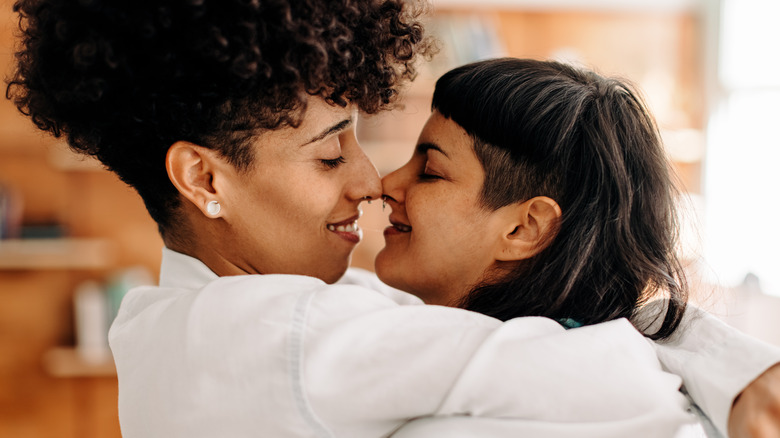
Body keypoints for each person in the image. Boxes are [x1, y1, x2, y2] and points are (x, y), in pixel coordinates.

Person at [7, 1, 780, 437]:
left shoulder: (175, 324)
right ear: (205, 177)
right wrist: (727, 370)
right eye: (329, 155)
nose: (374, 182)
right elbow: (618, 383)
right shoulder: (284, 335)